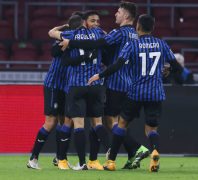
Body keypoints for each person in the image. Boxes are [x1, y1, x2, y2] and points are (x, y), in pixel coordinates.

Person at [87, 14, 183, 172]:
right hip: (155, 92)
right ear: (152, 28)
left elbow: (117, 65)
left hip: (136, 92)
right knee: (151, 130)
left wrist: (100, 75)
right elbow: (177, 68)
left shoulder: (132, 45)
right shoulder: (162, 44)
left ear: (138, 27)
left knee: (121, 124)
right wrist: (168, 69)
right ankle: (154, 153)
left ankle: (111, 162)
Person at [60, 1, 149, 170]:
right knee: (108, 121)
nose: (115, 14)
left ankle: (137, 149)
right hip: (129, 83)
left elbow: (98, 43)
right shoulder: (135, 35)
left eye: (118, 11)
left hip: (115, 81)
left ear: (126, 16)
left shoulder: (119, 32)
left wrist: (71, 43)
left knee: (108, 122)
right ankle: (128, 155)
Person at [49, 10, 107, 171]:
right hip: (95, 85)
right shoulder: (99, 35)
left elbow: (52, 36)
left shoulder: (70, 35)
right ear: (85, 22)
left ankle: (74, 161)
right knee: (97, 123)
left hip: (75, 85)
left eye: (97, 21)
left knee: (75, 124)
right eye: (93, 21)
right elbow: (107, 42)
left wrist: (65, 34)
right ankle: (109, 152)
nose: (96, 24)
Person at [27, 14, 83, 170]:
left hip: (66, 87)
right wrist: (64, 30)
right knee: (50, 122)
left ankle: (60, 158)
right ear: (79, 28)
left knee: (65, 122)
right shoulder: (66, 38)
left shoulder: (76, 40)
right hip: (54, 85)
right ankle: (33, 159)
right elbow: (53, 50)